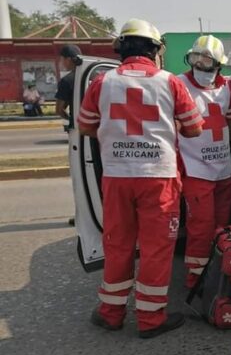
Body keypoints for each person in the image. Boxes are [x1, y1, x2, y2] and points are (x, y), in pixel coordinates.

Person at [77, 19, 204, 338]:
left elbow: (85, 126)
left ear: (121, 49)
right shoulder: (170, 82)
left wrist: (117, 137)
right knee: (156, 248)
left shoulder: (102, 82)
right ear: (155, 50)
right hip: (158, 177)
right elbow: (195, 128)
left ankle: (110, 313)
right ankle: (150, 319)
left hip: (117, 176)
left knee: (117, 244)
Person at [177, 35, 231, 289]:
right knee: (200, 227)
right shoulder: (179, 84)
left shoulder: (227, 88)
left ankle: (217, 272)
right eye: (196, 59)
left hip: (223, 171)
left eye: (207, 61)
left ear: (219, 64)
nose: (201, 66)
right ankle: (195, 279)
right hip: (195, 170)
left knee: (222, 226)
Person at [55, 44, 82, 122]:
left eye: (62, 59)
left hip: (80, 126)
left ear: (68, 59)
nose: (62, 62)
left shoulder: (66, 80)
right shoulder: (93, 75)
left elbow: (59, 110)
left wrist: (72, 121)